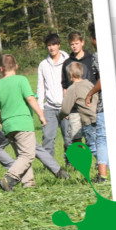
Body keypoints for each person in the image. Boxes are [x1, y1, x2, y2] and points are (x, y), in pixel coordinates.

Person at [0, 55, 48, 192]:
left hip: (8, 126)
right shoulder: (21, 80)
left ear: (1, 69)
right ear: (16, 66)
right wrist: (41, 115)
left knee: (21, 155)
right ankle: (9, 178)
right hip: (23, 122)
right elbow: (30, 98)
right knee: (28, 155)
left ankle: (28, 184)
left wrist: (1, 120)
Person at [36, 33, 71, 175]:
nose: (51, 48)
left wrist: (70, 106)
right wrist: (40, 109)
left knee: (69, 138)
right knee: (48, 138)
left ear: (59, 45)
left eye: (54, 44)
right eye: (49, 45)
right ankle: (49, 167)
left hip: (66, 106)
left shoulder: (68, 61)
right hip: (49, 107)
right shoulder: (43, 65)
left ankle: (71, 164)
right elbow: (40, 87)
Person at [61, 31, 98, 149]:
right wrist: (67, 106)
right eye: (72, 44)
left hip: (89, 105)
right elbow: (65, 86)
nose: (74, 46)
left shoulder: (91, 58)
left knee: (93, 136)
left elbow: (98, 81)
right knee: (76, 137)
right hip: (74, 108)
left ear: (82, 42)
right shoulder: (67, 63)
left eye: (77, 43)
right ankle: (81, 164)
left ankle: (99, 164)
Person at [83, 22, 109, 183]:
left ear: (94, 38)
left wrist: (90, 93)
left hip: (104, 105)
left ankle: (102, 175)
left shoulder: (98, 55)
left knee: (101, 139)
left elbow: (102, 79)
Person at [58, 62, 98, 162]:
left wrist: (60, 116)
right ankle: (103, 168)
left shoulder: (73, 88)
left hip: (88, 121)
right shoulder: (89, 83)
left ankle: (106, 166)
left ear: (70, 74)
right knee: (99, 143)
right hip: (98, 118)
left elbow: (65, 109)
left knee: (92, 147)